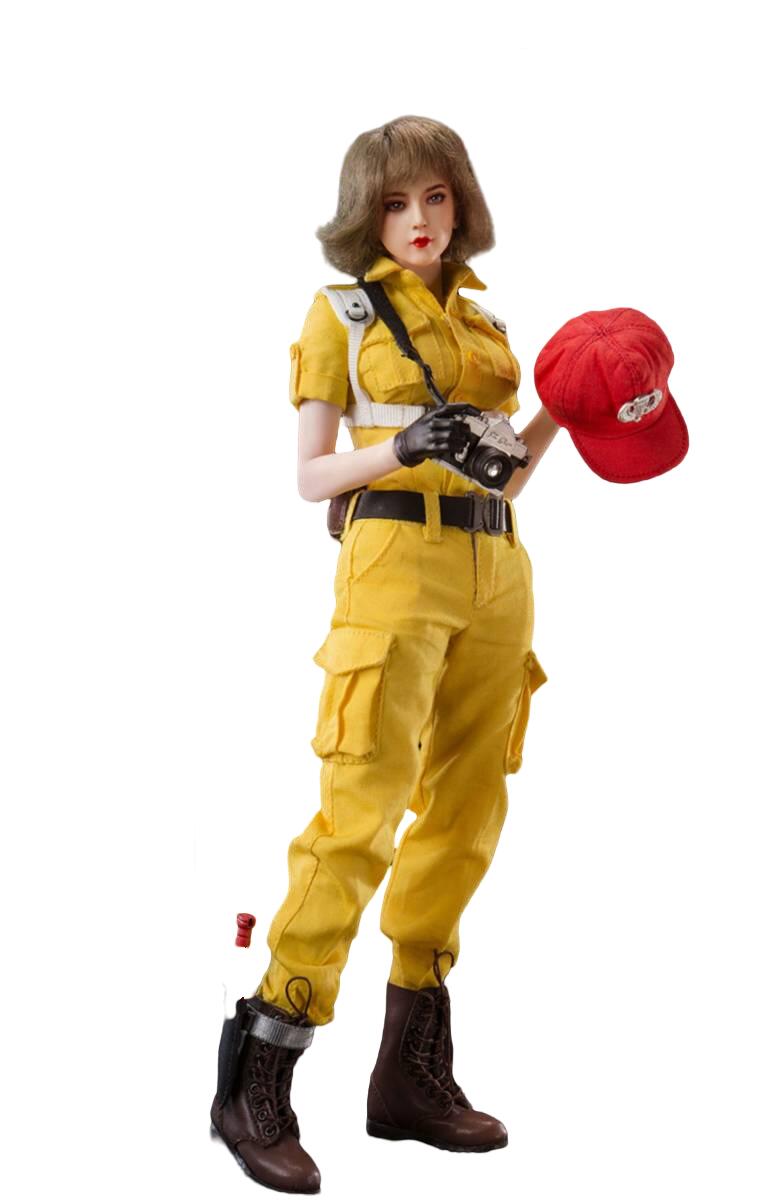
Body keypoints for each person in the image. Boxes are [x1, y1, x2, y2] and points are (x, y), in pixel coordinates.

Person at [210, 115, 560, 1194]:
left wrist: (562, 408)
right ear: (367, 211)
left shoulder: (486, 325)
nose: (418, 218)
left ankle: (409, 1077)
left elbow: (506, 474)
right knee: (357, 814)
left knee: (465, 813)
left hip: (496, 570)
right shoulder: (342, 313)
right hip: (394, 567)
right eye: (397, 200)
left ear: (461, 204)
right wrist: (402, 443)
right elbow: (309, 477)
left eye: (436, 197)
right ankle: (257, 1073)